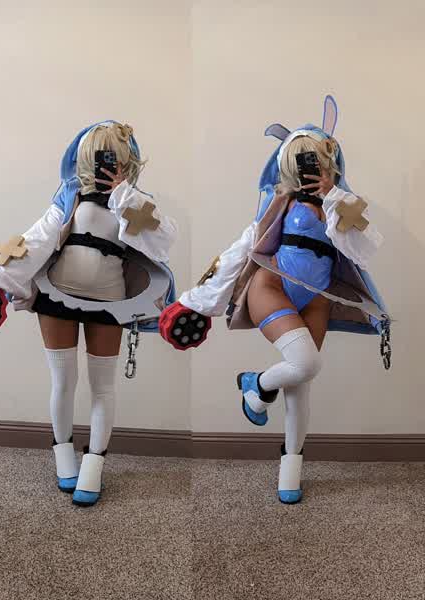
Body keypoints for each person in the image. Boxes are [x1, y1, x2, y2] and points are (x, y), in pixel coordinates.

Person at [159, 96, 389, 504]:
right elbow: (242, 248)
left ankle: (290, 465)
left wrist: (334, 197)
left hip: (317, 296)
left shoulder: (342, 203)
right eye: (301, 160)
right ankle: (258, 384)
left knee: (301, 381)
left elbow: (365, 250)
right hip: (273, 285)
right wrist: (196, 299)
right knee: (306, 363)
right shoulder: (280, 201)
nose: (309, 168)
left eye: (315, 159)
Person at [0, 121, 177, 506]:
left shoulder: (136, 202)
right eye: (98, 155)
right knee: (63, 381)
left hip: (110, 302)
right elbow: (37, 240)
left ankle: (94, 463)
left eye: (112, 155)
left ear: (127, 158)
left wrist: (123, 195)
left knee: (103, 386)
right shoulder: (69, 197)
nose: (105, 163)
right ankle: (63, 454)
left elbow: (163, 241)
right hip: (57, 296)